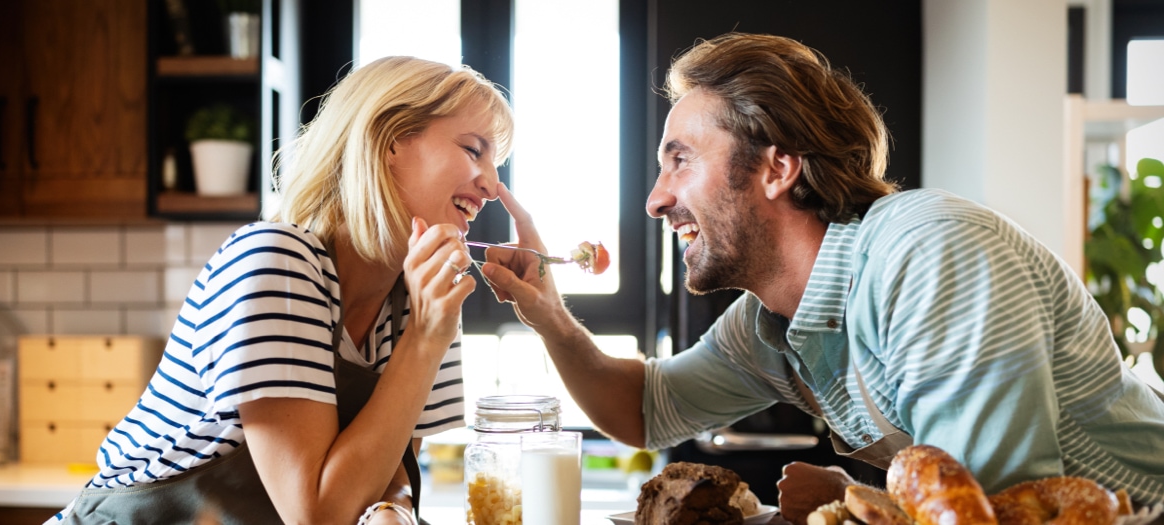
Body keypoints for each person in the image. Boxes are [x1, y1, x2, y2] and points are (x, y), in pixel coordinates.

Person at [478, 32, 1164, 523]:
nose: (656, 199)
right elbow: (645, 408)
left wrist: (847, 499)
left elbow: (985, 508)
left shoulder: (930, 253)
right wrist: (549, 315)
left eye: (680, 159)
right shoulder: (771, 324)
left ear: (778, 168)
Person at [48, 56, 513, 525]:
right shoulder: (277, 260)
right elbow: (317, 516)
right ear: (389, 139)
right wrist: (426, 339)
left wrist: (393, 509)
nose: (492, 185)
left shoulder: (423, 297)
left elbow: (388, 469)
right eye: (474, 150)